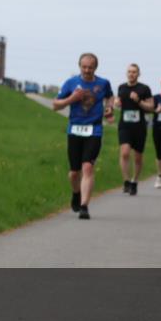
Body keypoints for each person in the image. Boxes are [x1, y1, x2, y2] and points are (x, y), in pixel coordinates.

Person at [53, 53, 115, 219]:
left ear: (96, 68)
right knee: (74, 173)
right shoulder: (71, 83)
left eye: (90, 67)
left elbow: (110, 96)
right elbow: (55, 105)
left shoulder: (103, 83)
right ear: (79, 66)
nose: (87, 70)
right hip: (74, 129)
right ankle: (76, 193)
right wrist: (71, 99)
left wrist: (109, 108)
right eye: (84, 67)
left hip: (94, 130)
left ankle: (84, 206)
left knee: (87, 167)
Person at [115, 64, 154, 196]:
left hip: (139, 127)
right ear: (126, 73)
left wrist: (138, 101)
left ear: (138, 74)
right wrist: (117, 102)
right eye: (129, 72)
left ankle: (134, 181)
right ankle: (126, 180)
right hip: (124, 125)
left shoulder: (144, 88)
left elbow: (151, 107)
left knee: (138, 157)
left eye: (134, 72)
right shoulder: (121, 87)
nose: (131, 74)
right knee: (125, 152)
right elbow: (118, 101)